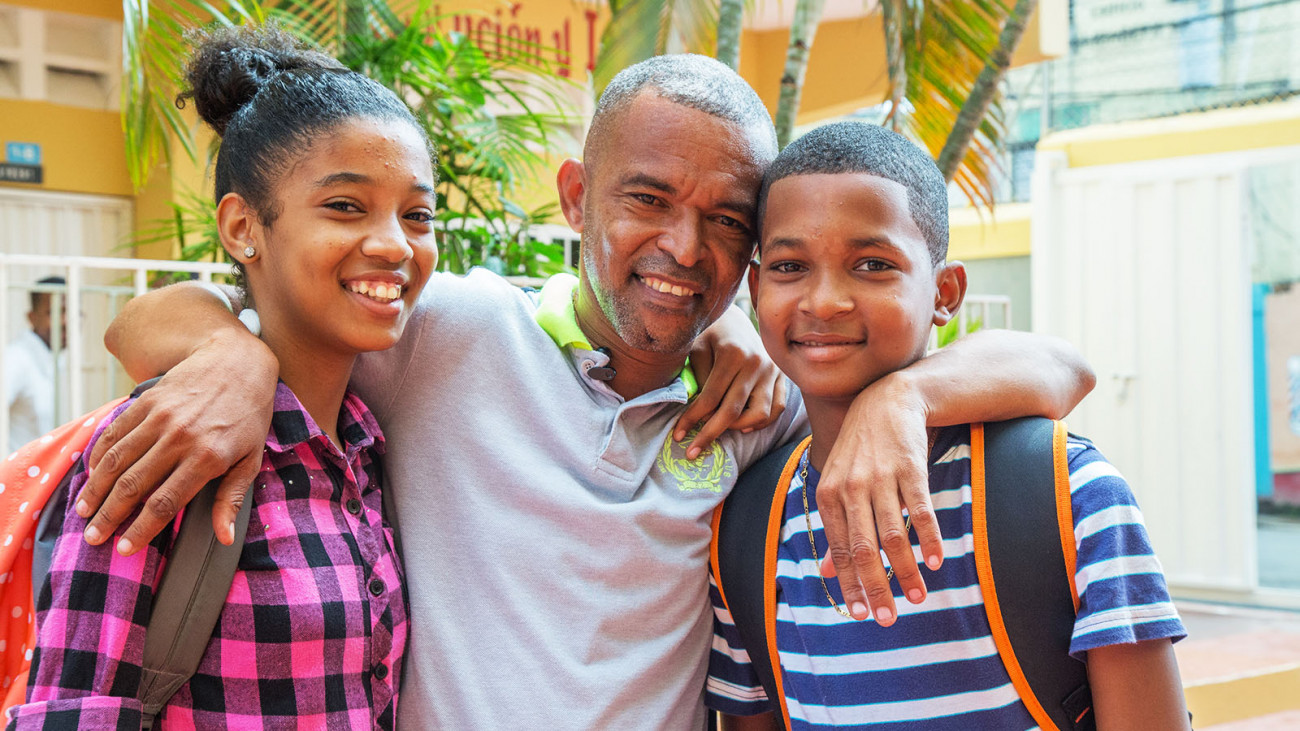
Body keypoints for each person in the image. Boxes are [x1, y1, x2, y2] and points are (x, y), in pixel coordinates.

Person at [76, 55, 1095, 728]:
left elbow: (1064, 369)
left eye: (726, 220)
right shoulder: (450, 331)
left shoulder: (764, 404)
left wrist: (896, 403)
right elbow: (144, 321)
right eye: (645, 199)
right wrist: (235, 355)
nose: (682, 248)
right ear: (574, 196)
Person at [6, 26, 434, 728]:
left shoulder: (369, 448)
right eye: (345, 206)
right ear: (242, 228)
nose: (393, 243)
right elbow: (74, 707)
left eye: (417, 213)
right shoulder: (170, 437)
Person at [707, 121, 1188, 730]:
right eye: (789, 266)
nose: (824, 300)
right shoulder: (746, 528)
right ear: (754, 288)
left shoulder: (1066, 491)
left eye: (873, 263)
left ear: (945, 291)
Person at [5, 276, 66, 453]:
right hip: (16, 476)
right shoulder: (16, 358)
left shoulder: (53, 358)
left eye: (70, 312)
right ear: (32, 317)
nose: (64, 321)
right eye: (54, 312)